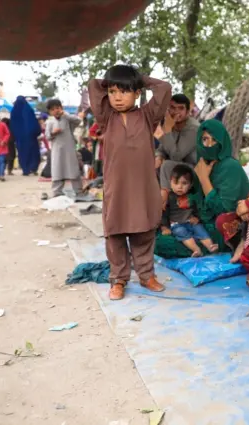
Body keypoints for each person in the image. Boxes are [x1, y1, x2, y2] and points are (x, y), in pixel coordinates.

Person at [89, 64, 171, 301]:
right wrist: (114, 80)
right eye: (113, 91)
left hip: (142, 187)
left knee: (144, 231)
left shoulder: (147, 116)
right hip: (117, 186)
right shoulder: (106, 117)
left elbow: (164, 88)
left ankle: (146, 276)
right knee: (115, 232)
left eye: (124, 91)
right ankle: (118, 279)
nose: (117, 97)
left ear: (137, 93)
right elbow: (94, 86)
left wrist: (139, 79)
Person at [154, 119, 249, 259]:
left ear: (223, 142)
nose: (209, 145)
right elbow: (201, 209)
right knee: (159, 234)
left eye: (214, 140)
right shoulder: (202, 164)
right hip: (201, 225)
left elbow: (224, 212)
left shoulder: (230, 167)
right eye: (205, 139)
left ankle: (213, 247)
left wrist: (204, 179)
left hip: (226, 230)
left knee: (161, 244)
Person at [161, 164, 219, 257]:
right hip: (177, 223)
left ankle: (210, 246)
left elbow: (197, 209)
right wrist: (164, 227)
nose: (180, 187)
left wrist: (197, 218)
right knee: (180, 231)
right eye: (176, 183)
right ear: (170, 182)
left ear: (190, 185)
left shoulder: (192, 196)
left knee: (200, 228)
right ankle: (196, 250)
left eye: (184, 183)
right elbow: (164, 212)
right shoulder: (169, 197)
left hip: (191, 221)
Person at [155, 93, 199, 205]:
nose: (176, 112)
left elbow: (177, 155)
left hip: (194, 169)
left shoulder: (194, 128)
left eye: (181, 108)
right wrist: (159, 156)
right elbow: (163, 148)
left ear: (188, 111)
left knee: (166, 165)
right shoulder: (171, 124)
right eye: (173, 108)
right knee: (153, 164)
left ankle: (163, 202)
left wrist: (166, 132)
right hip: (179, 166)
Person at [45, 99, 83, 197]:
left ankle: (78, 191)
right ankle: (57, 192)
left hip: (69, 149)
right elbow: (47, 136)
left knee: (73, 169)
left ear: (62, 108)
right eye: (53, 109)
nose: (56, 111)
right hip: (57, 151)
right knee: (58, 170)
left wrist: (65, 115)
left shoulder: (67, 119)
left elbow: (78, 121)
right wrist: (53, 133)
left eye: (58, 108)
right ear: (50, 112)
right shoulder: (50, 122)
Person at [10, 96, 42, 176]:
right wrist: (36, 132)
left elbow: (13, 126)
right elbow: (34, 123)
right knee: (33, 153)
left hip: (20, 138)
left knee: (23, 153)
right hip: (31, 137)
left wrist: (15, 135)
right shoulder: (29, 110)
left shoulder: (14, 112)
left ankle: (26, 169)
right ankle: (33, 168)